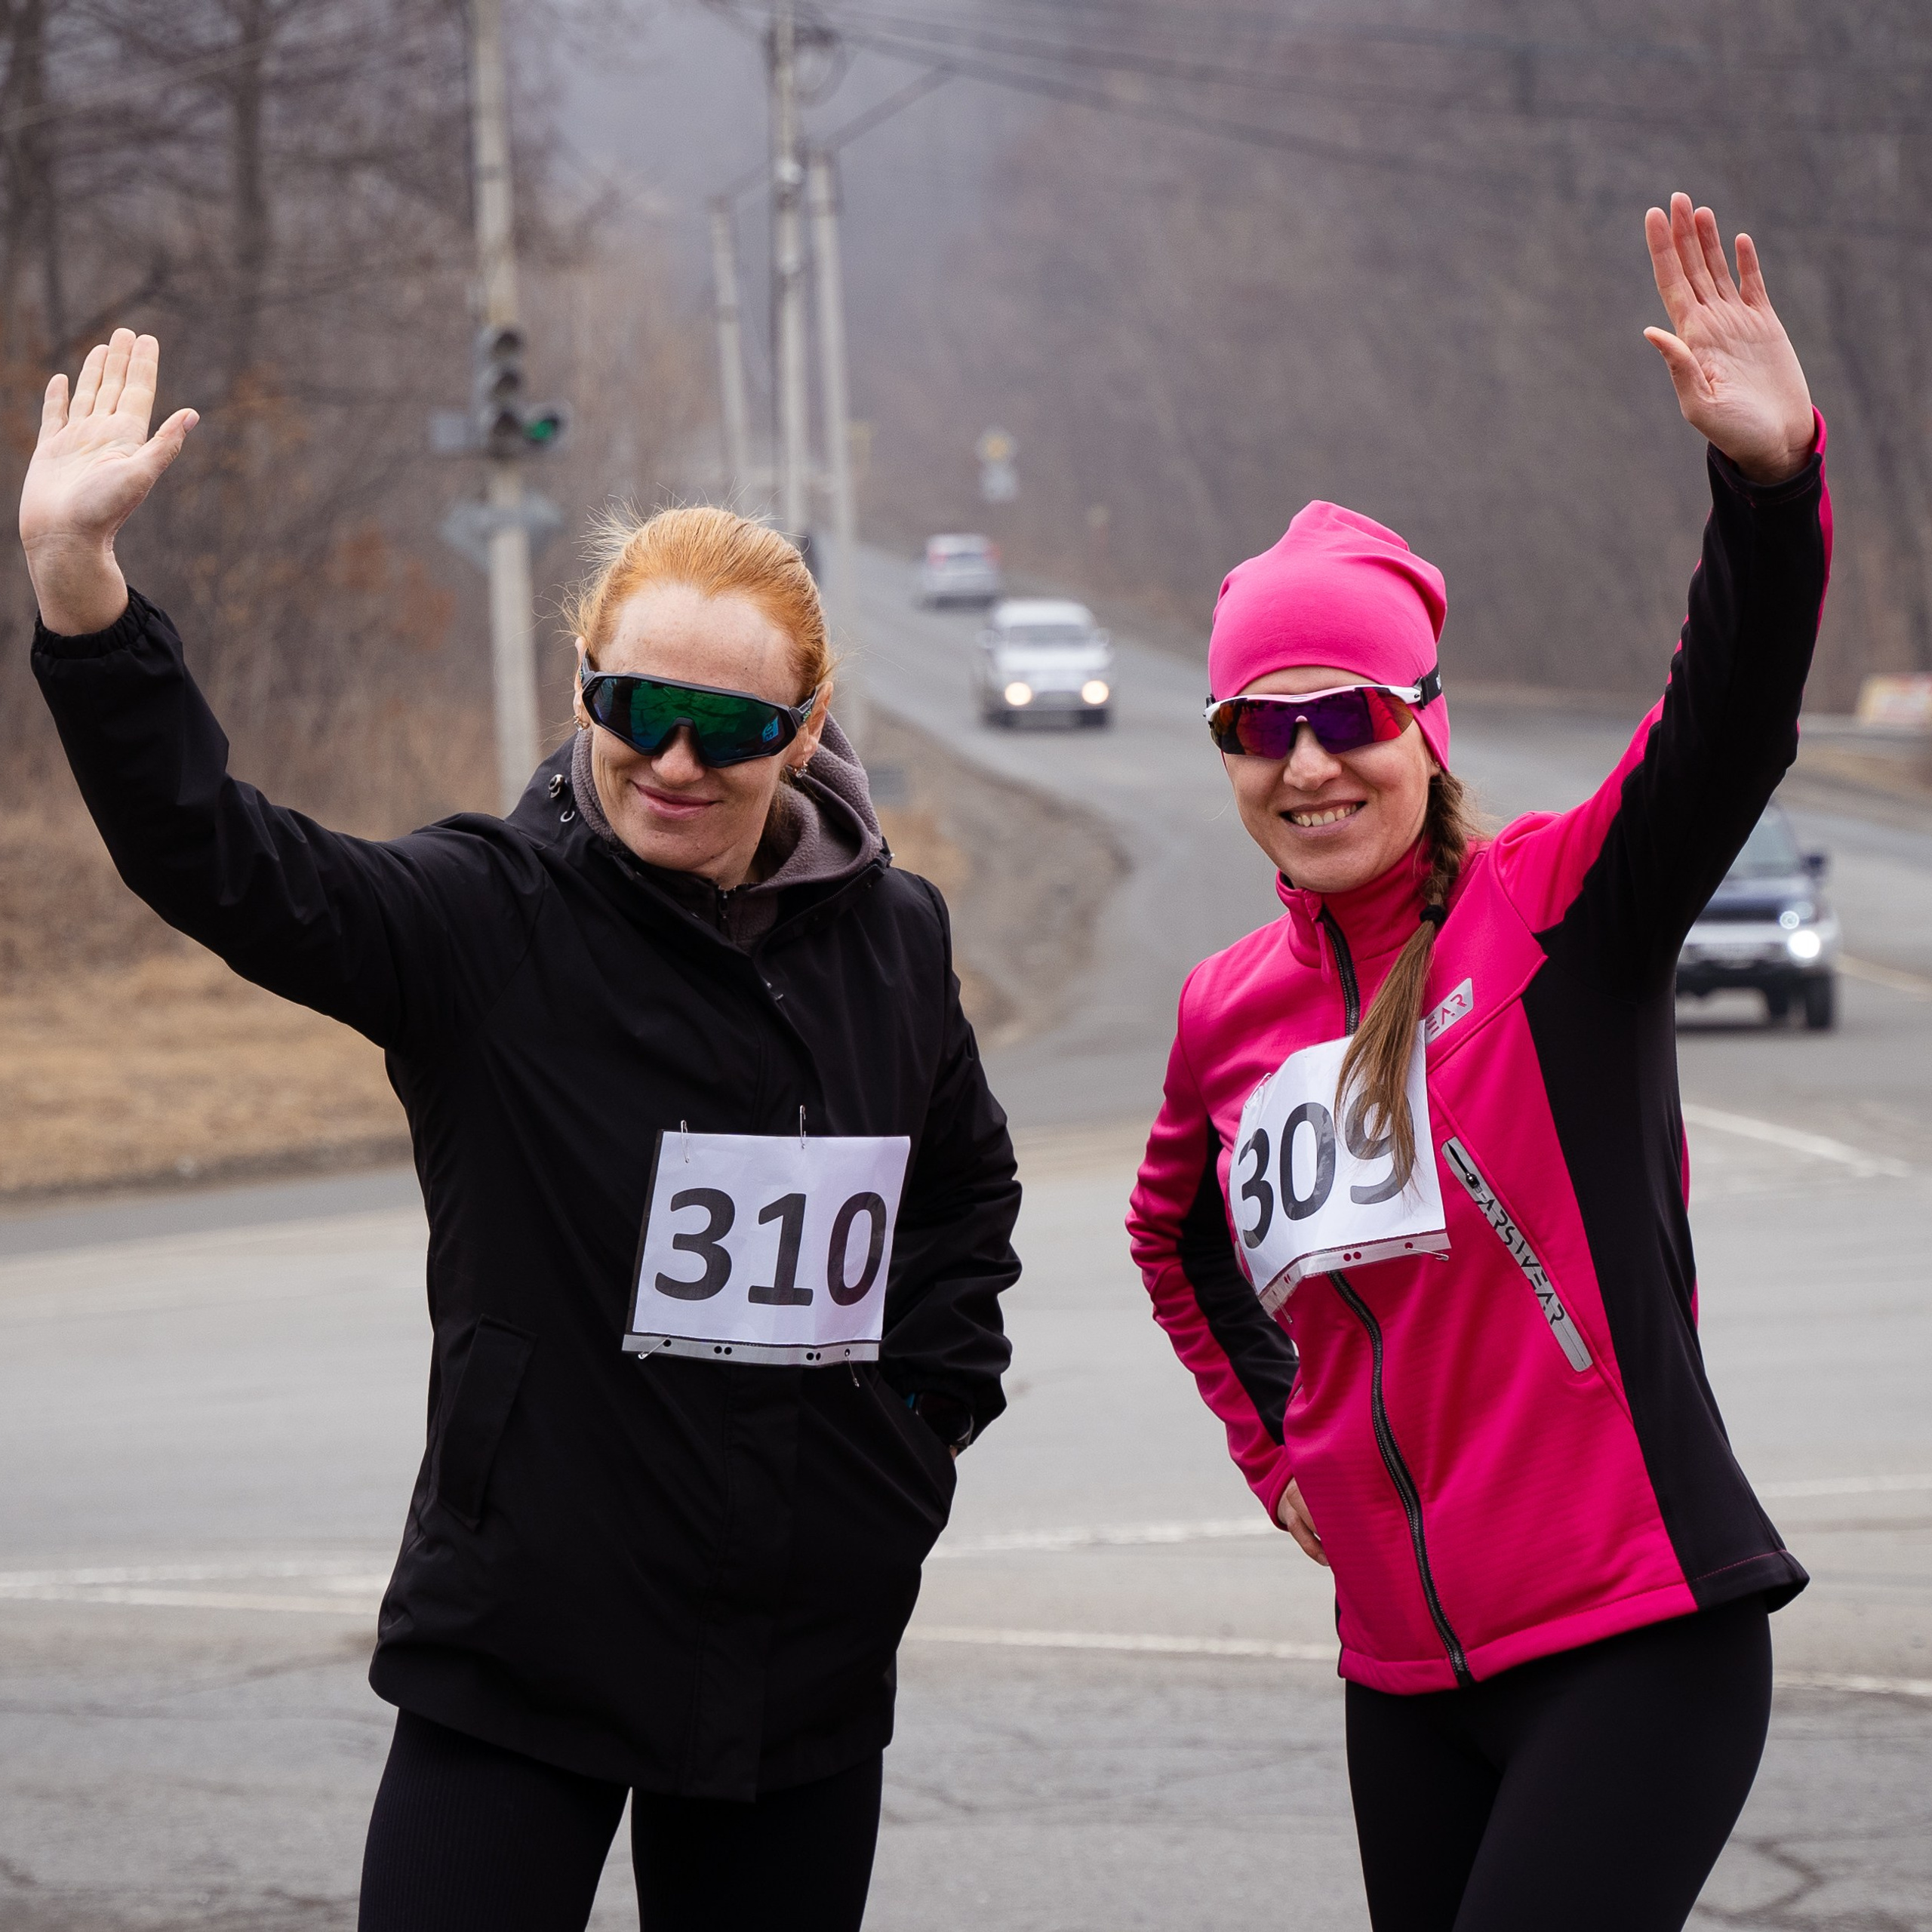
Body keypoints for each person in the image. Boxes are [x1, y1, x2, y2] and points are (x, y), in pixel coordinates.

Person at [20, 332, 1021, 1932]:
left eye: (727, 725)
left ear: (807, 722)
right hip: (522, 1642)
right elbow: (217, 856)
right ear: (581, 687)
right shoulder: (481, 918)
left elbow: (962, 1187)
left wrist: (917, 1419)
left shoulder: (892, 936)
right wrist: (84, 597)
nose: (675, 760)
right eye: (636, 706)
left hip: (801, 1654)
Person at [1126, 195, 1827, 1931]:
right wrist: (1279, 1456)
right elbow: (1174, 1237)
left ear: (1420, 725)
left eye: (1345, 714)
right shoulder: (1225, 1009)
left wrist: (1766, 485)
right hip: (1400, 1676)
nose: (1306, 765)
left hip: (1634, 1634)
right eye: (1258, 727)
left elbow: (1725, 720)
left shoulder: (1553, 913)